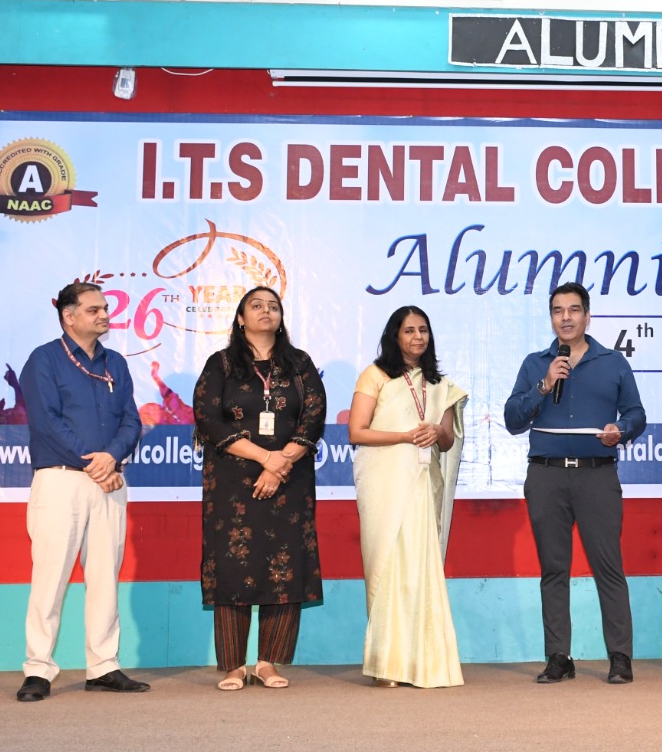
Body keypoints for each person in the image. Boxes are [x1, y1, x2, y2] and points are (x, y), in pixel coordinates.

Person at [504, 282, 646, 684]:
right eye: (557, 311)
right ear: (551, 318)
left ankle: (620, 657)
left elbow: (636, 414)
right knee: (554, 569)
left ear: (587, 315)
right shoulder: (536, 364)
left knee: (608, 567)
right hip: (546, 475)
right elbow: (513, 418)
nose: (565, 317)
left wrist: (620, 429)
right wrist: (545, 385)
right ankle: (558, 657)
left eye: (573, 310)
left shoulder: (613, 362)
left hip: (597, 475)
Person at [16, 282, 147, 701]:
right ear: (68, 316)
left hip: (109, 481)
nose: (104, 315)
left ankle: (103, 666)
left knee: (105, 577)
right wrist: (95, 463)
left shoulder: (116, 363)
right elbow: (47, 421)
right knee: (50, 578)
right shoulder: (44, 359)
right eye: (94, 310)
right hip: (61, 480)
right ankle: (38, 669)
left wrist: (111, 457)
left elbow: (131, 421)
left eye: (105, 308)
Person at [192, 286, 326, 690]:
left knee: (285, 565)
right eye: (256, 306)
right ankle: (234, 665)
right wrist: (265, 458)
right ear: (240, 318)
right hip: (232, 482)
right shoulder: (220, 364)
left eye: (273, 306)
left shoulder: (299, 364)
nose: (266, 311)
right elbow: (208, 419)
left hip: (290, 478)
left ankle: (268, 662)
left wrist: (280, 463)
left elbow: (313, 417)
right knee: (232, 566)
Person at [349, 306, 470, 688]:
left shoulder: (441, 385)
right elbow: (357, 431)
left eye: (423, 330)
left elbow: (447, 441)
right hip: (383, 483)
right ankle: (387, 665)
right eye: (409, 330)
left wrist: (436, 432)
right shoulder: (375, 375)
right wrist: (404, 436)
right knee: (386, 567)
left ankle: (423, 664)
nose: (418, 337)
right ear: (395, 335)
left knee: (419, 570)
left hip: (421, 483)